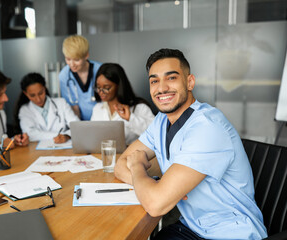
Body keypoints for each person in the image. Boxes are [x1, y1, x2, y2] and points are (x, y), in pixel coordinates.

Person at [114, 49, 267, 239]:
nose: (161, 88)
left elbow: (155, 204)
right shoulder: (161, 121)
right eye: (154, 81)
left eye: (171, 78)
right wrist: (159, 186)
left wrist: (138, 167)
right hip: (194, 227)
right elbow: (120, 165)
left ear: (189, 82)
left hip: (231, 232)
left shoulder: (208, 127)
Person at [90, 63, 155, 145]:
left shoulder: (140, 107)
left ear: (119, 86)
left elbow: (156, 134)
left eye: (106, 88)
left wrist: (130, 118)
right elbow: (93, 137)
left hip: (133, 155)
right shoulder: (97, 108)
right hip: (104, 155)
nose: (101, 92)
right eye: (98, 87)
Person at [15, 72, 80, 143]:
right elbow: (30, 134)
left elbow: (77, 126)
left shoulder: (61, 103)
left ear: (44, 88)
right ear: (25, 94)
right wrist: (60, 135)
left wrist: (67, 136)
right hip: (37, 151)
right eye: (32, 95)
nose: (38, 99)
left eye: (40, 93)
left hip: (63, 147)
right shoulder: (25, 110)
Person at [59, 35, 102, 120]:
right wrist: (78, 127)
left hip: (102, 119)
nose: (72, 64)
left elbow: (108, 102)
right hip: (80, 121)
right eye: (68, 59)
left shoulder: (101, 70)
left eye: (76, 60)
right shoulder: (64, 75)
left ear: (86, 55)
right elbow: (73, 106)